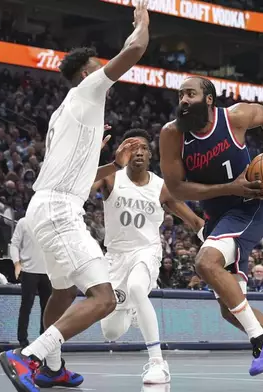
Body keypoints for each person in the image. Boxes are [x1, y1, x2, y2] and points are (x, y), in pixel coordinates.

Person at [0, 2, 150, 391]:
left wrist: (111, 164)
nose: (104, 71)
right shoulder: (88, 89)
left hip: (48, 206)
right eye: (98, 66)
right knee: (104, 298)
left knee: (62, 291)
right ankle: (28, 356)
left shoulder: (64, 113)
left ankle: (52, 367)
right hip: (59, 210)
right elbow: (134, 50)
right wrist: (142, 18)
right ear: (87, 72)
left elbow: (77, 180)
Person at [159, 76, 263, 389]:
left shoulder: (234, 118)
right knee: (230, 310)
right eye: (180, 95)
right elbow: (174, 188)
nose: (183, 100)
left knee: (205, 264)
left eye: (190, 93)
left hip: (248, 209)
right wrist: (225, 189)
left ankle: (260, 341)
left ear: (208, 100)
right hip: (218, 216)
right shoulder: (172, 134)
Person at [93, 129, 205, 384]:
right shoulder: (111, 178)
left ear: (150, 154)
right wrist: (106, 160)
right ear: (123, 152)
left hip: (147, 251)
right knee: (110, 332)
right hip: (116, 258)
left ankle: (158, 362)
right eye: (131, 147)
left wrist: (216, 239)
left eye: (143, 147)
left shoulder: (160, 186)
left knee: (136, 287)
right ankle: (133, 307)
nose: (138, 151)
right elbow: (82, 186)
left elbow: (193, 220)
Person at [10, 216, 52, 348]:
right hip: (29, 270)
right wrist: (17, 263)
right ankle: (22, 339)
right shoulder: (23, 222)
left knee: (47, 307)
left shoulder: (51, 223)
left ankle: (44, 337)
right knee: (26, 306)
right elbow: (14, 244)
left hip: (48, 271)